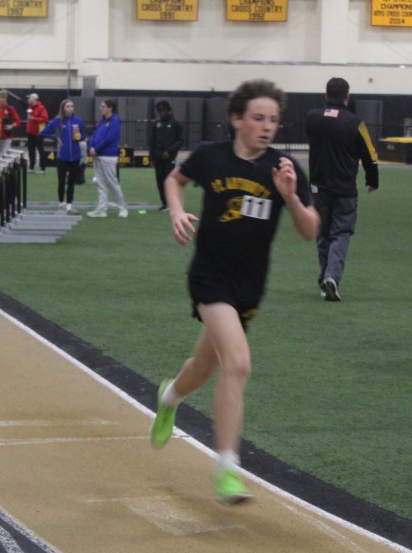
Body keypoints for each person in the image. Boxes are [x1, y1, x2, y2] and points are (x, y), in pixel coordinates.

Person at [149, 79, 319, 504]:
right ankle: (227, 469)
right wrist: (176, 212)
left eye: (274, 120)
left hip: (250, 285)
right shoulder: (212, 156)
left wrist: (291, 198)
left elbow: (310, 230)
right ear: (237, 119)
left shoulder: (284, 168)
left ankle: (169, 396)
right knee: (238, 363)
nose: (267, 127)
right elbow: (175, 180)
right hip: (210, 277)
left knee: (204, 365)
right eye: (258, 118)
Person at [304, 77, 379, 302]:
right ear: (347, 96)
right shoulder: (355, 123)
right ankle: (332, 277)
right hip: (344, 188)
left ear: (326, 95)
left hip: (318, 186)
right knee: (341, 233)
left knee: (322, 233)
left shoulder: (312, 118)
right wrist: (372, 179)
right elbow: (370, 154)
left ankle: (324, 278)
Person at [39, 99, 84, 215]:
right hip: (62, 156)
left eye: (72, 106)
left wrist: (78, 136)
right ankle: (61, 203)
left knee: (71, 182)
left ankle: (69, 206)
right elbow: (43, 133)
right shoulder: (57, 121)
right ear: (63, 108)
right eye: (67, 106)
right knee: (61, 181)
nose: (70, 108)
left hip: (75, 156)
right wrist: (55, 138)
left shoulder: (78, 121)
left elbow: (83, 136)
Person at [87, 99, 128, 218]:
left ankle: (122, 208)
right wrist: (90, 147)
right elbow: (94, 135)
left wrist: (96, 148)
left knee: (112, 182)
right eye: (101, 106)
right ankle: (101, 209)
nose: (101, 108)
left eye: (103, 106)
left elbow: (109, 138)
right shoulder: (102, 121)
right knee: (101, 184)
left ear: (110, 108)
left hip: (108, 156)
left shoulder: (115, 120)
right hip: (98, 155)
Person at [149, 100, 184, 210]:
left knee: (168, 179)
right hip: (158, 156)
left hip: (170, 157)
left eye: (163, 111)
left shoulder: (176, 123)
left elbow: (180, 140)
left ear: (168, 110)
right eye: (160, 111)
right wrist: (152, 157)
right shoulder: (156, 123)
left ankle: (171, 202)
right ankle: (164, 203)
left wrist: (170, 151)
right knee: (160, 180)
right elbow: (152, 141)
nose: (162, 113)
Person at [25, 93, 48, 174]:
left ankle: (43, 168)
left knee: (40, 150)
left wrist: (34, 118)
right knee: (31, 150)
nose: (28, 100)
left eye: (30, 98)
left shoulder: (41, 108)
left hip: (39, 133)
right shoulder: (29, 107)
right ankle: (31, 167)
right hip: (30, 132)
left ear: (34, 99)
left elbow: (45, 118)